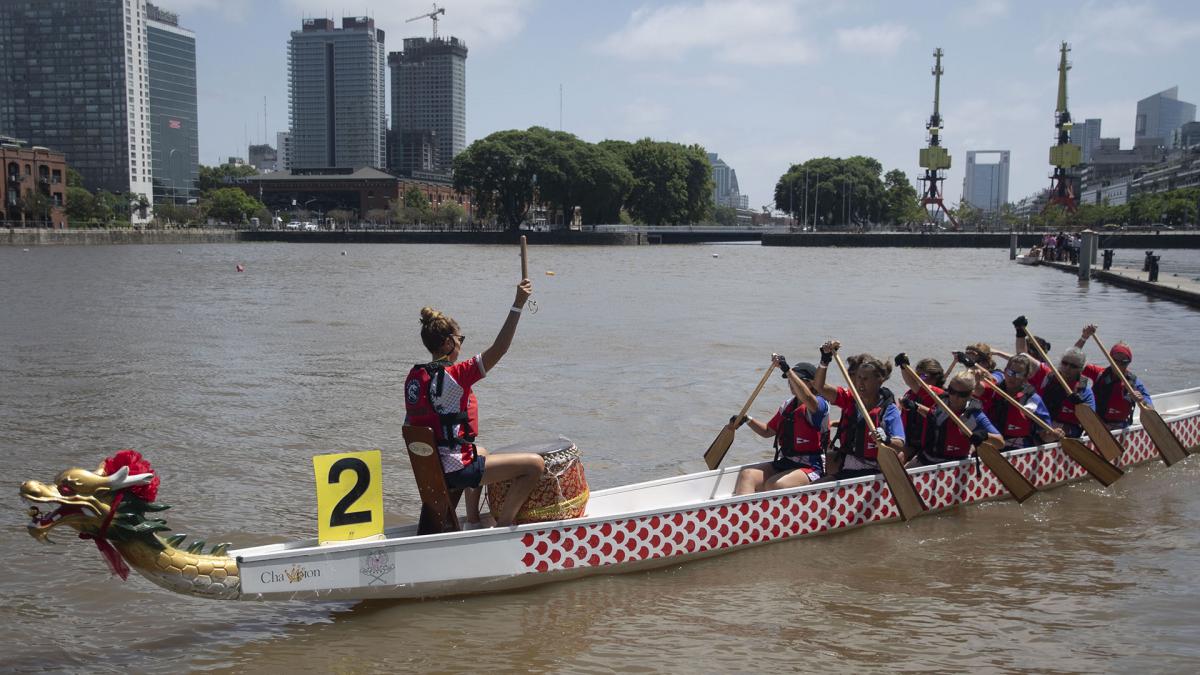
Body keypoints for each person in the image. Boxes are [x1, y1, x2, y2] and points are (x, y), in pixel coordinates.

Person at [403, 278, 545, 528]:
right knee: (535, 465)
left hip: (433, 467)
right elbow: (500, 348)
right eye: (460, 340)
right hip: (455, 468)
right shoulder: (455, 375)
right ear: (448, 343)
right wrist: (517, 305)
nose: (460, 346)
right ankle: (505, 528)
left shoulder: (414, 378)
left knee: (482, 451)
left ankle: (473, 520)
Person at [730, 356, 829, 495]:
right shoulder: (788, 405)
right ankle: (744, 515)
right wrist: (747, 419)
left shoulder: (820, 405)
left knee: (775, 484)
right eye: (789, 380)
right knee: (747, 475)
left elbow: (808, 399)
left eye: (795, 380)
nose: (790, 383)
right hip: (787, 461)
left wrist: (788, 370)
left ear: (811, 384)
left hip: (812, 466)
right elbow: (767, 431)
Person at [813, 342, 907, 479]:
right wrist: (825, 360)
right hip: (849, 464)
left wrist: (886, 439)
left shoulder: (888, 409)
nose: (860, 383)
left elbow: (900, 444)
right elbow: (819, 386)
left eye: (866, 379)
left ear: (879, 381)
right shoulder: (851, 399)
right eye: (859, 378)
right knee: (823, 461)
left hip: (875, 471)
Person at [902, 371, 1003, 467]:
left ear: (971, 393)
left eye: (962, 394)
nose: (955, 397)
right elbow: (933, 415)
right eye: (952, 391)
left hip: (953, 465)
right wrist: (915, 407)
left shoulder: (975, 415)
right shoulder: (940, 399)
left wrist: (984, 435)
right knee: (900, 479)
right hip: (926, 458)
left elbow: (1000, 443)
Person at [1074, 324, 1153, 429]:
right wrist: (1084, 337)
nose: (1118, 365)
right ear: (1110, 359)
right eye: (1115, 361)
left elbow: (1151, 409)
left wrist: (1142, 401)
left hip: (1120, 427)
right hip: (1097, 424)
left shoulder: (1134, 383)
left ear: (1129, 362)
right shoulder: (1099, 373)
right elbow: (1073, 361)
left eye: (1123, 362)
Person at [979, 354, 1062, 449]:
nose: (1012, 377)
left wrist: (1053, 435)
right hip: (992, 443)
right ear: (1005, 371)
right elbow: (976, 389)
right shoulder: (993, 390)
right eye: (1010, 372)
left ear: (1026, 377)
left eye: (1018, 374)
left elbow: (1045, 436)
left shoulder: (1033, 399)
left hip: (1019, 448)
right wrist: (977, 379)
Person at [1033, 347, 1097, 438]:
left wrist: (1079, 404)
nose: (1067, 368)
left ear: (1081, 369)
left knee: (1055, 432)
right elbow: (1023, 356)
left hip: (1068, 430)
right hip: (1045, 424)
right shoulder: (1047, 377)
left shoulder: (1084, 390)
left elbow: (1091, 422)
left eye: (1073, 366)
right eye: (1065, 363)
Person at [895, 354, 945, 453]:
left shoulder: (939, 395)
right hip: (909, 442)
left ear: (936, 378)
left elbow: (910, 382)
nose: (918, 379)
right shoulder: (910, 393)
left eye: (923, 375)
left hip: (928, 447)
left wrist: (903, 365)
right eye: (917, 375)